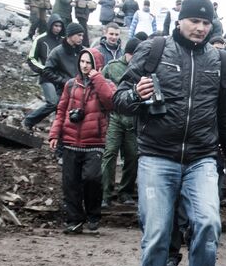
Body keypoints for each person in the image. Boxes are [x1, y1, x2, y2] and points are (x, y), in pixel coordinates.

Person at [114, 0, 226, 266]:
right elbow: (119, 98)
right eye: (195, 21)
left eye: (206, 23)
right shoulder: (154, 49)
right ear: (180, 19)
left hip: (202, 159)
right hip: (157, 155)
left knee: (208, 225)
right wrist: (136, 96)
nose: (201, 28)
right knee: (157, 233)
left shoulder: (220, 61)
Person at [48, 49, 116, 234]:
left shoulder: (106, 84)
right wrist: (54, 135)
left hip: (94, 142)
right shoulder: (71, 85)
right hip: (70, 141)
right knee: (70, 183)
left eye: (89, 62)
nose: (85, 66)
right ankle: (75, 220)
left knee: (92, 179)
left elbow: (111, 102)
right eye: (83, 62)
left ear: (97, 65)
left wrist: (97, 78)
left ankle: (93, 215)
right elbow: (61, 110)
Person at [101, 36, 140, 208]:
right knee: (109, 153)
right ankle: (105, 194)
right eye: (132, 54)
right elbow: (100, 86)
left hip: (134, 118)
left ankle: (125, 192)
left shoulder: (143, 68)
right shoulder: (113, 67)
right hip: (115, 117)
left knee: (132, 156)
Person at [22, 16, 67, 129]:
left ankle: (57, 132)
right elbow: (31, 59)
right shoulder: (41, 39)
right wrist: (44, 69)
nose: (58, 28)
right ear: (50, 25)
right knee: (53, 103)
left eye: (60, 26)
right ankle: (29, 121)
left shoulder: (63, 40)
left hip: (61, 78)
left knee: (61, 106)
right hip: (46, 78)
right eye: (55, 25)